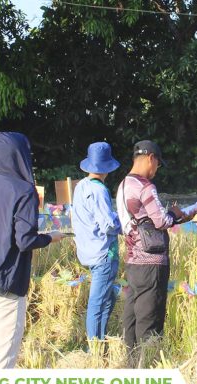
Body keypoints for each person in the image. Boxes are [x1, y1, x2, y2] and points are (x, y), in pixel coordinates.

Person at [0, 132, 63, 369]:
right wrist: (50, 237)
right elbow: (25, 240)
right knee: (3, 358)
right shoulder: (23, 190)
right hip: (5, 280)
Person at [117, 140, 189, 349]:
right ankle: (147, 364)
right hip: (151, 262)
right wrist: (175, 214)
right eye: (157, 163)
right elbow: (161, 221)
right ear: (151, 158)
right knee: (150, 316)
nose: (157, 169)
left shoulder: (123, 185)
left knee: (133, 313)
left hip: (133, 260)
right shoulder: (145, 186)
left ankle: (131, 360)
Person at [71, 142, 122, 342]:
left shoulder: (81, 186)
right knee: (98, 301)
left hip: (87, 251)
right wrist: (124, 223)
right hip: (104, 253)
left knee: (107, 295)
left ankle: (101, 336)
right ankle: (95, 344)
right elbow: (108, 224)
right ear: (108, 169)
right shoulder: (100, 191)